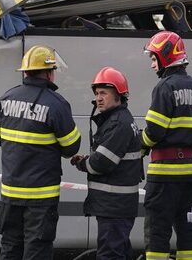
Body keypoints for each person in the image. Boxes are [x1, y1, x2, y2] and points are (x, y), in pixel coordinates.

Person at [0, 45, 81, 260]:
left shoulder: (6, 99)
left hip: (10, 194)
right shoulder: (57, 104)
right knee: (37, 249)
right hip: (41, 197)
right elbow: (71, 147)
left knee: (10, 247)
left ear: (25, 72)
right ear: (49, 73)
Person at [140, 31, 192, 260]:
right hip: (191, 173)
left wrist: (139, 147)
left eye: (153, 59)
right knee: (189, 231)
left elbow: (154, 131)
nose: (152, 65)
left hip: (165, 174)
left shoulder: (165, 87)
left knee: (158, 232)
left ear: (166, 57)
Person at [70, 67, 142, 260]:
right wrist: (87, 161)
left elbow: (101, 163)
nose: (98, 98)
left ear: (119, 95)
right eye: (96, 93)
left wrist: (83, 163)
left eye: (104, 93)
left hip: (114, 207)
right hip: (116, 207)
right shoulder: (119, 120)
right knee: (119, 253)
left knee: (110, 255)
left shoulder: (118, 123)